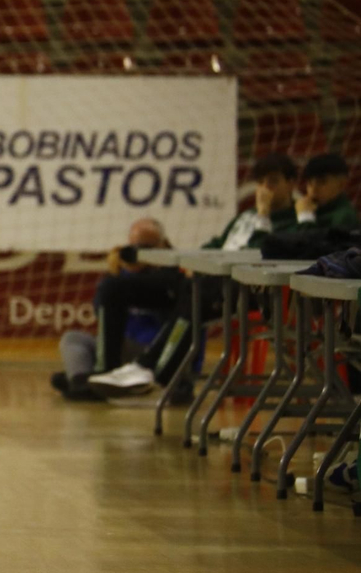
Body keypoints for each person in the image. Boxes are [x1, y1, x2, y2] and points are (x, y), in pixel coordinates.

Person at [90, 153, 323, 396]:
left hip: (244, 288)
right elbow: (216, 244)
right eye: (261, 183)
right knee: (113, 287)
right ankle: (105, 371)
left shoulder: (294, 223)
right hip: (206, 277)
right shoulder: (244, 217)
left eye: (273, 181)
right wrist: (197, 261)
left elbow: (260, 253)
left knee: (196, 293)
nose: (266, 189)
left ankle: (152, 370)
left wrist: (263, 215)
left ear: (291, 184)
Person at [54, 218, 174, 400]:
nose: (141, 252)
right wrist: (121, 274)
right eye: (135, 247)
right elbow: (100, 314)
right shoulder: (119, 277)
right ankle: (80, 382)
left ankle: (90, 380)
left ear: (162, 245)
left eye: (147, 247)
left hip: (150, 351)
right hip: (116, 347)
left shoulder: (172, 275)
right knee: (72, 338)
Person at [295, 153, 358, 230]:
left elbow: (310, 241)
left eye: (322, 182)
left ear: (341, 184)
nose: (313, 189)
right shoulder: (307, 209)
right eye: (310, 183)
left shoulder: (344, 217)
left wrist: (305, 217)